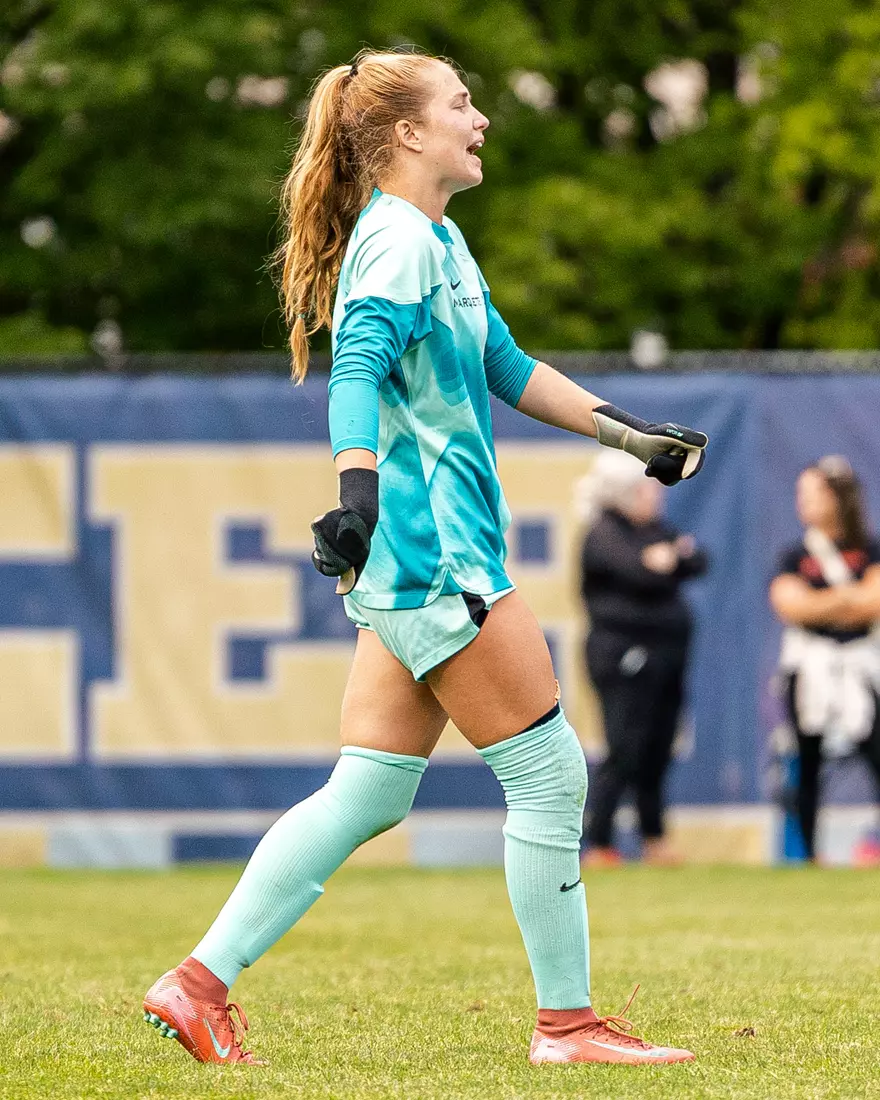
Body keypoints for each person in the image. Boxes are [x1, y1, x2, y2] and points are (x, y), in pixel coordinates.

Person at [142, 49, 708, 1067]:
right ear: (406, 133)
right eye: (461, 103)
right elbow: (355, 361)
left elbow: (505, 364)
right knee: (548, 775)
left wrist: (632, 438)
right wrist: (355, 494)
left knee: (368, 790)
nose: (479, 118)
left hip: (417, 556)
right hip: (438, 552)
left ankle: (196, 983)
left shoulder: (433, 236)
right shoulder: (398, 240)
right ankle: (567, 1025)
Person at [575, 450, 707, 867]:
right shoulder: (603, 532)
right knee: (624, 746)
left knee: (658, 747)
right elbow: (640, 571)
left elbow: (697, 559)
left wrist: (671, 559)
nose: (655, 495)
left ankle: (653, 836)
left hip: (667, 654)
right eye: (645, 487)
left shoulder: (653, 530)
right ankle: (600, 841)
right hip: (623, 655)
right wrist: (665, 561)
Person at [769, 456, 880, 863]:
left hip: (863, 665)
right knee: (808, 758)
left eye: (811, 494)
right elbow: (789, 605)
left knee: (875, 751)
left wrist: (820, 602)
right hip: (811, 665)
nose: (802, 503)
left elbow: (875, 601)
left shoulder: (868, 548)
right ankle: (810, 854)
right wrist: (848, 599)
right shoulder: (796, 554)